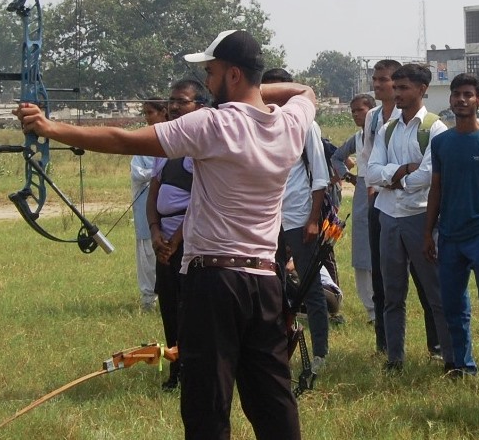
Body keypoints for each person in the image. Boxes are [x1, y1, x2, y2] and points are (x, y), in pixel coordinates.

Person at [17, 29, 313, 439]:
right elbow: (304, 91)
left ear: (232, 75)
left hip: (214, 281)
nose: (207, 84)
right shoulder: (290, 124)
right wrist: (258, 89)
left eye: (211, 73)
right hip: (265, 281)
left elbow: (123, 140)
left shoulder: (213, 124)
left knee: (207, 403)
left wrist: (52, 129)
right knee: (272, 399)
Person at [424, 73, 479, 391]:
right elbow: (436, 189)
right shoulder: (441, 143)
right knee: (453, 307)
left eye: (468, 95)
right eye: (456, 94)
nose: (461, 100)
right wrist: (428, 232)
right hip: (449, 237)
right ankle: (464, 367)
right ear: (450, 100)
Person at [366, 62, 453, 371]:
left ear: (422, 89)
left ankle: (449, 358)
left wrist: (392, 177)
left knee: (435, 292)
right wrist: (402, 171)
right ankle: (395, 358)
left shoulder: (434, 127)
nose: (396, 93)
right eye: (396, 87)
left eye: (403, 88)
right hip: (389, 215)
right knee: (392, 294)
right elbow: (372, 172)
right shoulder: (387, 128)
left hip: (420, 216)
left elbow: (429, 174)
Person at [263, 67, 331, 375]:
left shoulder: (307, 126)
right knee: (269, 288)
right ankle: (275, 349)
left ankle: (319, 354)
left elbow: (320, 177)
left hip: (300, 216)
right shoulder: (260, 123)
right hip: (266, 220)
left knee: (309, 289)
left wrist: (314, 219)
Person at [147, 79, 207, 391]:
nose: (174, 107)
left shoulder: (199, 147)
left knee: (192, 311)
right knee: (169, 308)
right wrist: (156, 232)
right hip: (165, 242)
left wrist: (176, 241)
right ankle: (176, 369)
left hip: (190, 243)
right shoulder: (166, 145)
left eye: (181, 101)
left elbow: (200, 199)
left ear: (199, 107)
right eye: (172, 100)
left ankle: (194, 370)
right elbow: (153, 190)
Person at [330, 92, 378, 323]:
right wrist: (348, 177)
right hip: (361, 197)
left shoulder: (384, 134)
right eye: (353, 111)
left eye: (360, 110)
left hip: (384, 195)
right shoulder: (357, 138)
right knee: (361, 252)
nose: (356, 115)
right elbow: (336, 157)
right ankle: (371, 310)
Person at [131, 99, 168, 311]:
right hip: (146, 208)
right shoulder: (144, 142)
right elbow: (137, 173)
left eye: (150, 112)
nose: (147, 117)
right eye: (144, 113)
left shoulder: (176, 137)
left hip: (170, 212)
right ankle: (148, 300)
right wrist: (159, 173)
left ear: (163, 113)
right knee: (147, 255)